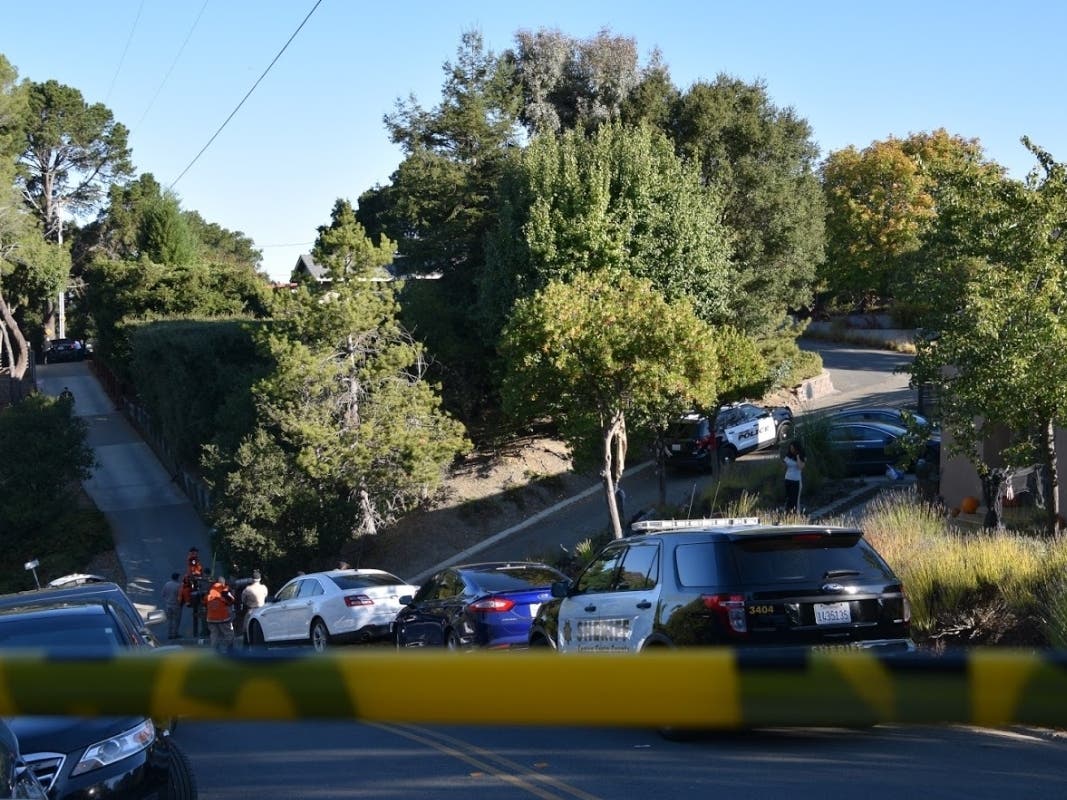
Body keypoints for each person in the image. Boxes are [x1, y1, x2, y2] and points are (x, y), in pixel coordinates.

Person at [205, 574, 236, 653]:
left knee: (214, 635)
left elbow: (204, 601)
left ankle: (214, 651)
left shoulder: (209, 590)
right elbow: (232, 600)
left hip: (211, 617)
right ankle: (229, 649)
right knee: (228, 633)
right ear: (223, 583)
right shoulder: (224, 590)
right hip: (223, 617)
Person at [239, 569, 268, 635]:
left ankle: (247, 642)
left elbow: (243, 600)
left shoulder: (247, 589)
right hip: (262, 610)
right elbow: (265, 596)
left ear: (252, 579)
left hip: (251, 610)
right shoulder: (264, 588)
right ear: (260, 579)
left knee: (246, 629)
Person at [783, 441, 805, 514]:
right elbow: (784, 466)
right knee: (788, 499)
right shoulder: (788, 455)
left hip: (796, 480)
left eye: (793, 448)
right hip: (788, 479)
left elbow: (800, 467)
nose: (791, 450)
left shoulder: (802, 456)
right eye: (790, 448)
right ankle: (788, 514)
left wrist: (798, 456)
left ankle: (796, 514)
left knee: (795, 500)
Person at [161, 572, 182, 640]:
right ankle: (175, 634)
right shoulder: (178, 586)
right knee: (177, 620)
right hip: (176, 605)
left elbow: (163, 594)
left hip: (168, 605)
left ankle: (169, 634)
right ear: (177, 578)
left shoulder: (167, 584)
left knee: (170, 620)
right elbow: (180, 596)